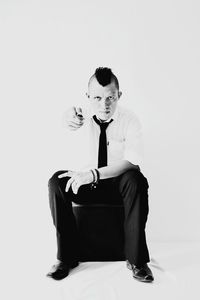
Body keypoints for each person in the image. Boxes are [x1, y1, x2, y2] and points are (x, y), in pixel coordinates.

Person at [47, 67, 154, 283]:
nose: (104, 104)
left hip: (116, 184)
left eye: (110, 98)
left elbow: (133, 163)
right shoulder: (81, 116)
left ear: (119, 96)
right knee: (56, 182)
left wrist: (94, 174)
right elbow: (67, 120)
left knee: (137, 180)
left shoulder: (130, 120)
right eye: (97, 97)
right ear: (88, 97)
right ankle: (67, 258)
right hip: (87, 184)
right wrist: (66, 117)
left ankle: (137, 261)